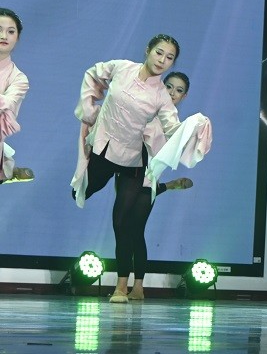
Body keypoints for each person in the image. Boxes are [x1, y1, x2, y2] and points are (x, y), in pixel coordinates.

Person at [71, 35, 212, 303]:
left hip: (134, 166)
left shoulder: (161, 98)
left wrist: (195, 126)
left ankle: (125, 287)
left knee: (127, 226)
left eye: (169, 57)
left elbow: (172, 130)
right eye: (159, 53)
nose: (162, 60)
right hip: (103, 147)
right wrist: (89, 110)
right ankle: (128, 286)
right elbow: (93, 74)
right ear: (148, 50)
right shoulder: (122, 67)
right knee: (82, 191)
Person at [0, 8, 32, 185]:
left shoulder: (19, 79)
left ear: (17, 38)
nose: (3, 36)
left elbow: (7, 103)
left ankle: (7, 169)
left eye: (10, 31)